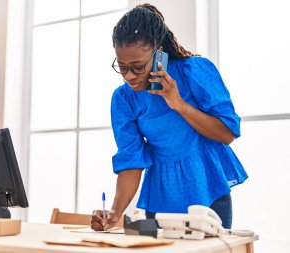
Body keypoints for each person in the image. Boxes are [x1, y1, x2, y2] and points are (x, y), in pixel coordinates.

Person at [91, 3, 247, 231]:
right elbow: (131, 160)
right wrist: (115, 213)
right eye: (122, 67)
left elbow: (227, 133)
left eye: (137, 67)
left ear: (159, 54)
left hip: (207, 190)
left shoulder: (195, 71)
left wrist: (178, 103)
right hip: (161, 196)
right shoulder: (124, 99)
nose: (129, 77)